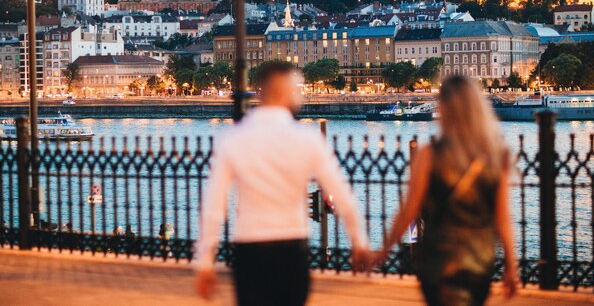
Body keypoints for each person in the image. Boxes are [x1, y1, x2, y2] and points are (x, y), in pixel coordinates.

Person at [195, 61, 369, 306]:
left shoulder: (233, 138)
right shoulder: (306, 139)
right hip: (292, 250)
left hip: (250, 250)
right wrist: (359, 241)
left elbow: (214, 206)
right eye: (297, 88)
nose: (300, 95)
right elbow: (340, 193)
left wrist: (205, 262)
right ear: (282, 92)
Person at [374, 75, 519, 306]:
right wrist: (512, 266)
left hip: (438, 258)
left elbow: (409, 210)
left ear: (444, 108)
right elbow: (503, 218)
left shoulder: (429, 155)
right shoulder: (496, 156)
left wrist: (383, 250)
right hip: (479, 259)